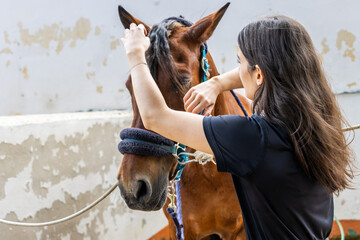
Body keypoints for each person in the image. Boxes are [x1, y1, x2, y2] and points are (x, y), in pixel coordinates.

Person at [120, 15, 353, 239]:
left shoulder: (253, 139)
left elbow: (155, 117)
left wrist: (135, 54)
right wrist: (216, 83)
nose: (238, 71)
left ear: (259, 74)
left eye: (239, 62)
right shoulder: (318, 124)